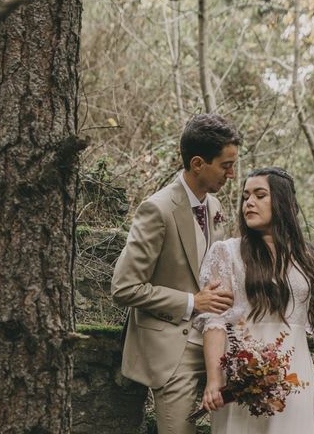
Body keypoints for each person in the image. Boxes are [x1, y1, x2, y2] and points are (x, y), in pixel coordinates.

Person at [111, 114, 241, 434]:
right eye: (225, 165)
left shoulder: (214, 206)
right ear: (198, 163)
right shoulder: (157, 209)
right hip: (172, 348)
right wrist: (192, 302)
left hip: (217, 339)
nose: (232, 173)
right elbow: (124, 288)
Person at [196, 167, 314, 434]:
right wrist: (214, 379)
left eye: (260, 195)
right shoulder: (227, 253)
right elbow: (214, 321)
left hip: (296, 375)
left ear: (282, 202)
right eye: (245, 196)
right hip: (243, 375)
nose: (249, 202)